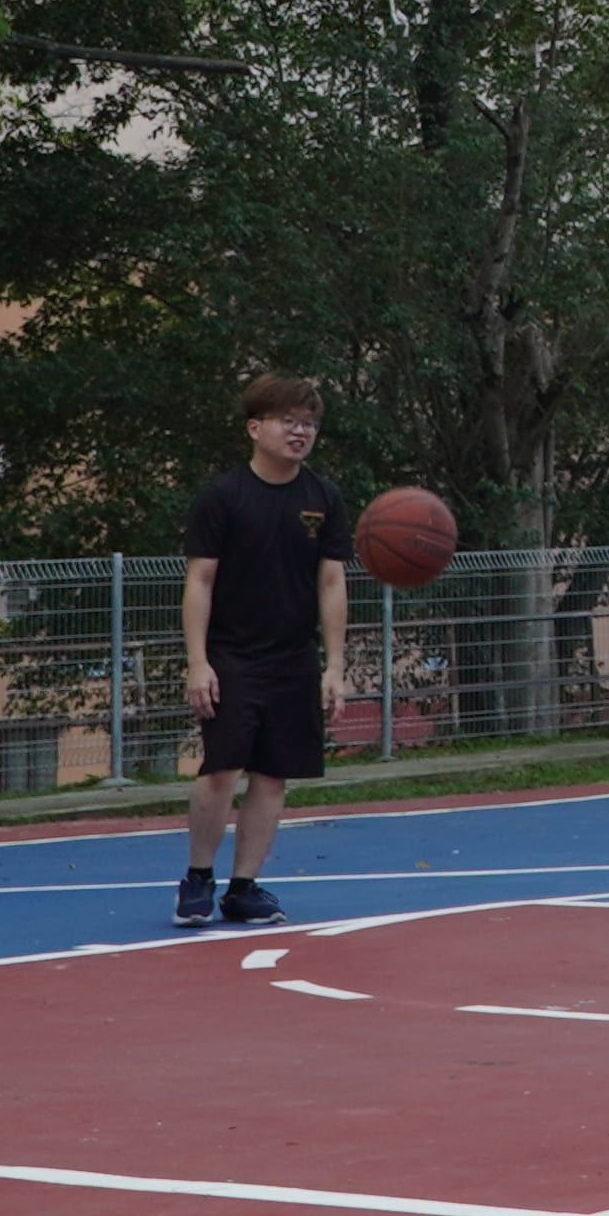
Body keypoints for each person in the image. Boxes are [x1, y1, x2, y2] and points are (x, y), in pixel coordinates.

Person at [178, 374, 351, 928]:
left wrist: (335, 666)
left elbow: (331, 584)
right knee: (222, 768)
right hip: (231, 655)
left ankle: (244, 887)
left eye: (308, 423)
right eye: (288, 421)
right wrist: (198, 660)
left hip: (293, 658)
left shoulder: (323, 498)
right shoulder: (223, 497)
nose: (300, 431)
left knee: (274, 775)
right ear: (256, 428)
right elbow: (200, 581)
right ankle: (198, 878)